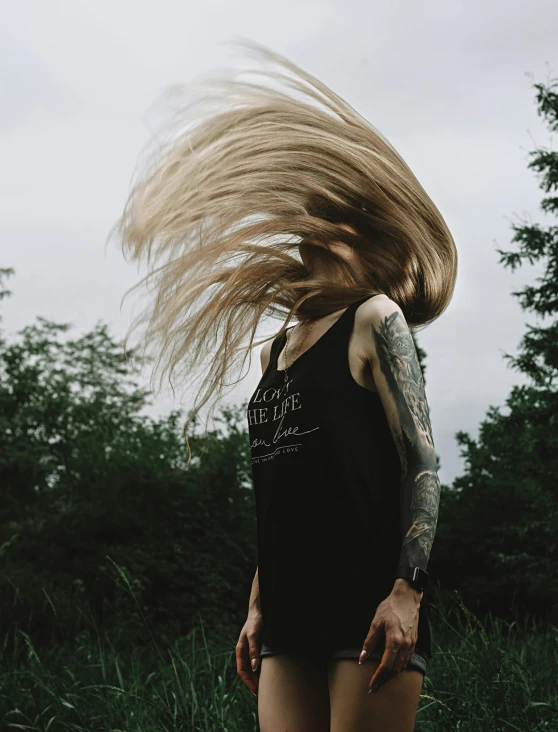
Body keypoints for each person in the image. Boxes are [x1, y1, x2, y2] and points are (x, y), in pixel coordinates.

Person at [111, 39, 457, 732]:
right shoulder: (279, 348)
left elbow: (421, 461)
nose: (315, 222)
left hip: (367, 607)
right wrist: (256, 605)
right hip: (287, 616)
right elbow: (284, 486)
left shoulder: (374, 320)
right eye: (313, 210)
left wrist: (407, 592)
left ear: (361, 232)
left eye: (335, 213)